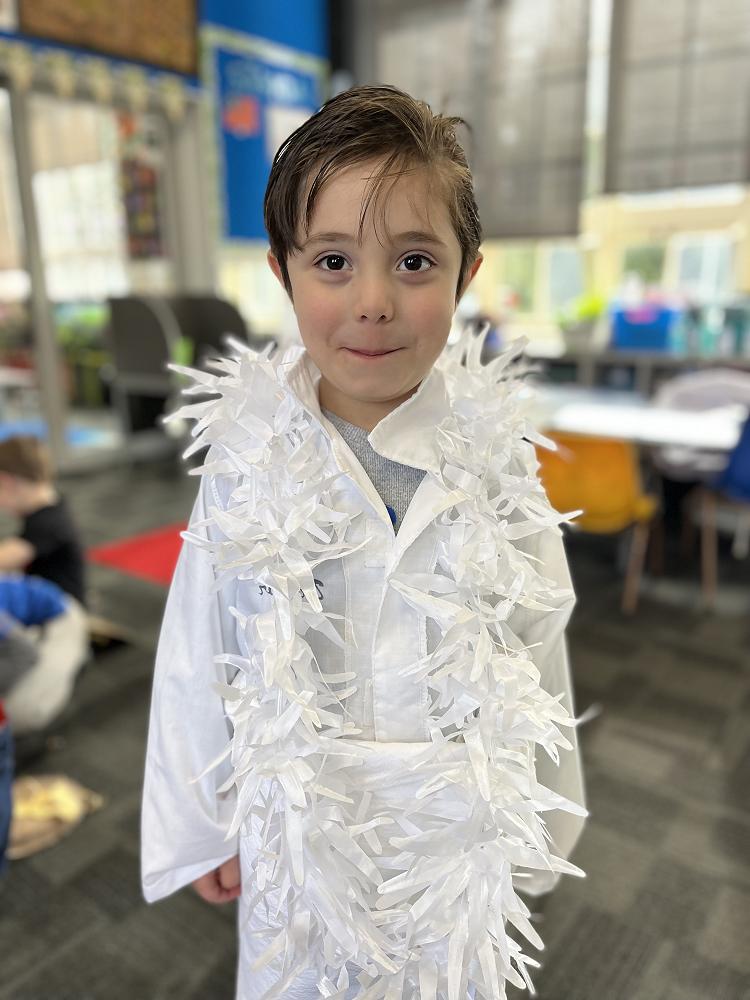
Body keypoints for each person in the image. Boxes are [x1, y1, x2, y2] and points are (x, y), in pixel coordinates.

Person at [142, 85, 586, 1000]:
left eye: (415, 261)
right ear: (283, 272)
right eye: (334, 260)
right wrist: (200, 818)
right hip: (300, 821)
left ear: (466, 275)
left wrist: (546, 819)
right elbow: (199, 644)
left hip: (453, 827)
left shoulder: (496, 459)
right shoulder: (247, 456)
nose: (374, 301)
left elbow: (539, 638)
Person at [0, 436, 88, 733]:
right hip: (43, 604)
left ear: (8, 482)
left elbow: (7, 557)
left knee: (20, 712)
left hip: (65, 614)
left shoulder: (49, 523)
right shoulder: (49, 505)